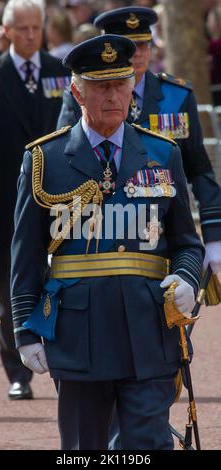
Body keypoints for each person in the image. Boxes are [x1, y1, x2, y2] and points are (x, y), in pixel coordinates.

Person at [11, 33, 204, 450]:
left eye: (120, 83)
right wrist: (25, 331)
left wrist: (188, 278)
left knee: (148, 447)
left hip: (148, 330)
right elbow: (25, 255)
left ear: (132, 86)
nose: (112, 95)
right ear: (77, 91)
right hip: (79, 336)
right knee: (84, 449)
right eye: (100, 87)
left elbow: (186, 242)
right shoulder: (45, 161)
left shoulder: (161, 153)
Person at [57, 6, 221, 275]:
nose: (139, 54)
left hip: (165, 225)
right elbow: (66, 157)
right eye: (131, 47)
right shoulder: (84, 95)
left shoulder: (176, 96)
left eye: (144, 45)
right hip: (103, 228)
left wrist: (214, 233)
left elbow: (199, 168)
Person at [0, 0, 69, 400]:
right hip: (5, 204)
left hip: (61, 199)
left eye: (36, 27)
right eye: (22, 29)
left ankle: (69, 361)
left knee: (67, 279)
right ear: (6, 32)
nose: (31, 35)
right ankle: (18, 371)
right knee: (8, 284)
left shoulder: (61, 73)